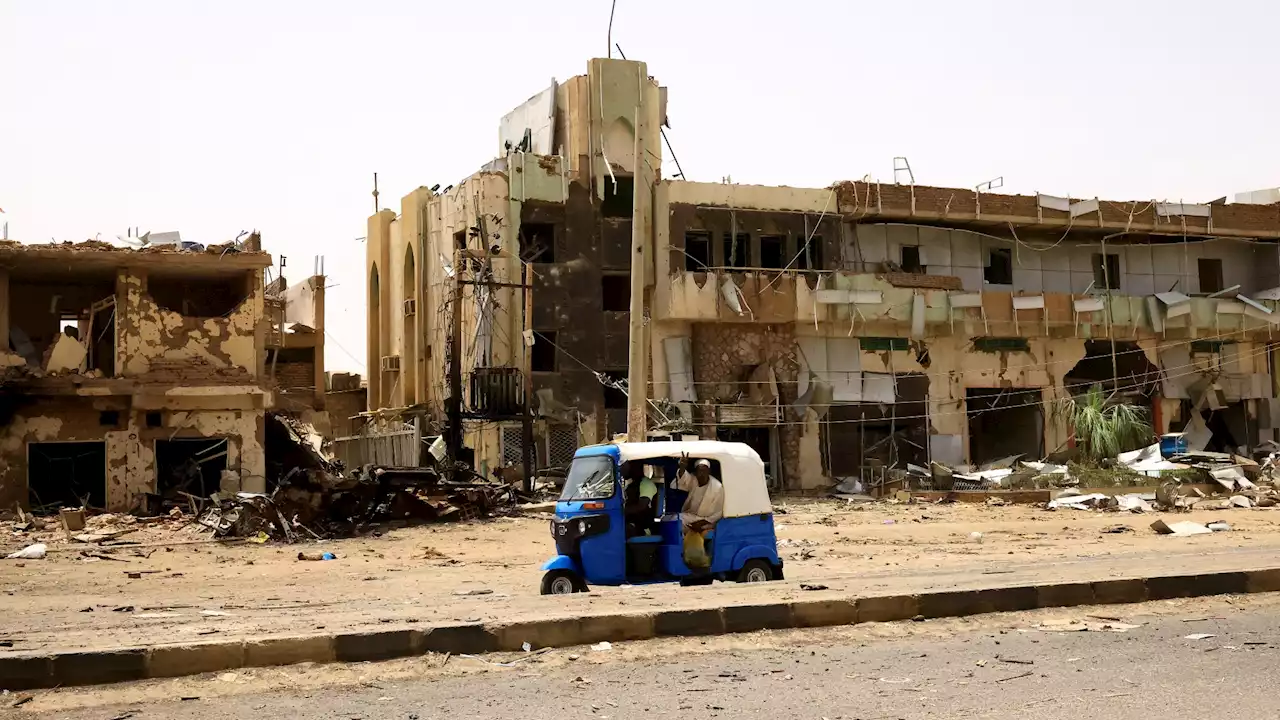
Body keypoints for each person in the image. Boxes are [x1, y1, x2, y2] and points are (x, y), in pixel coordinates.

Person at [674, 457, 723, 534]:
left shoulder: (717, 487)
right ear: (696, 472)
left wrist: (702, 522)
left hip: (708, 521)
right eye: (699, 471)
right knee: (673, 520)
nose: (702, 473)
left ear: (709, 471)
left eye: (704, 471)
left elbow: (719, 512)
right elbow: (684, 479)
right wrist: (682, 467)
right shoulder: (694, 480)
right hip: (692, 517)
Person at [622, 461, 658, 537]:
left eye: (626, 465)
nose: (622, 468)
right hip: (631, 522)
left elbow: (641, 507)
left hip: (642, 528)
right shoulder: (630, 485)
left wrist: (620, 512)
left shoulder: (646, 484)